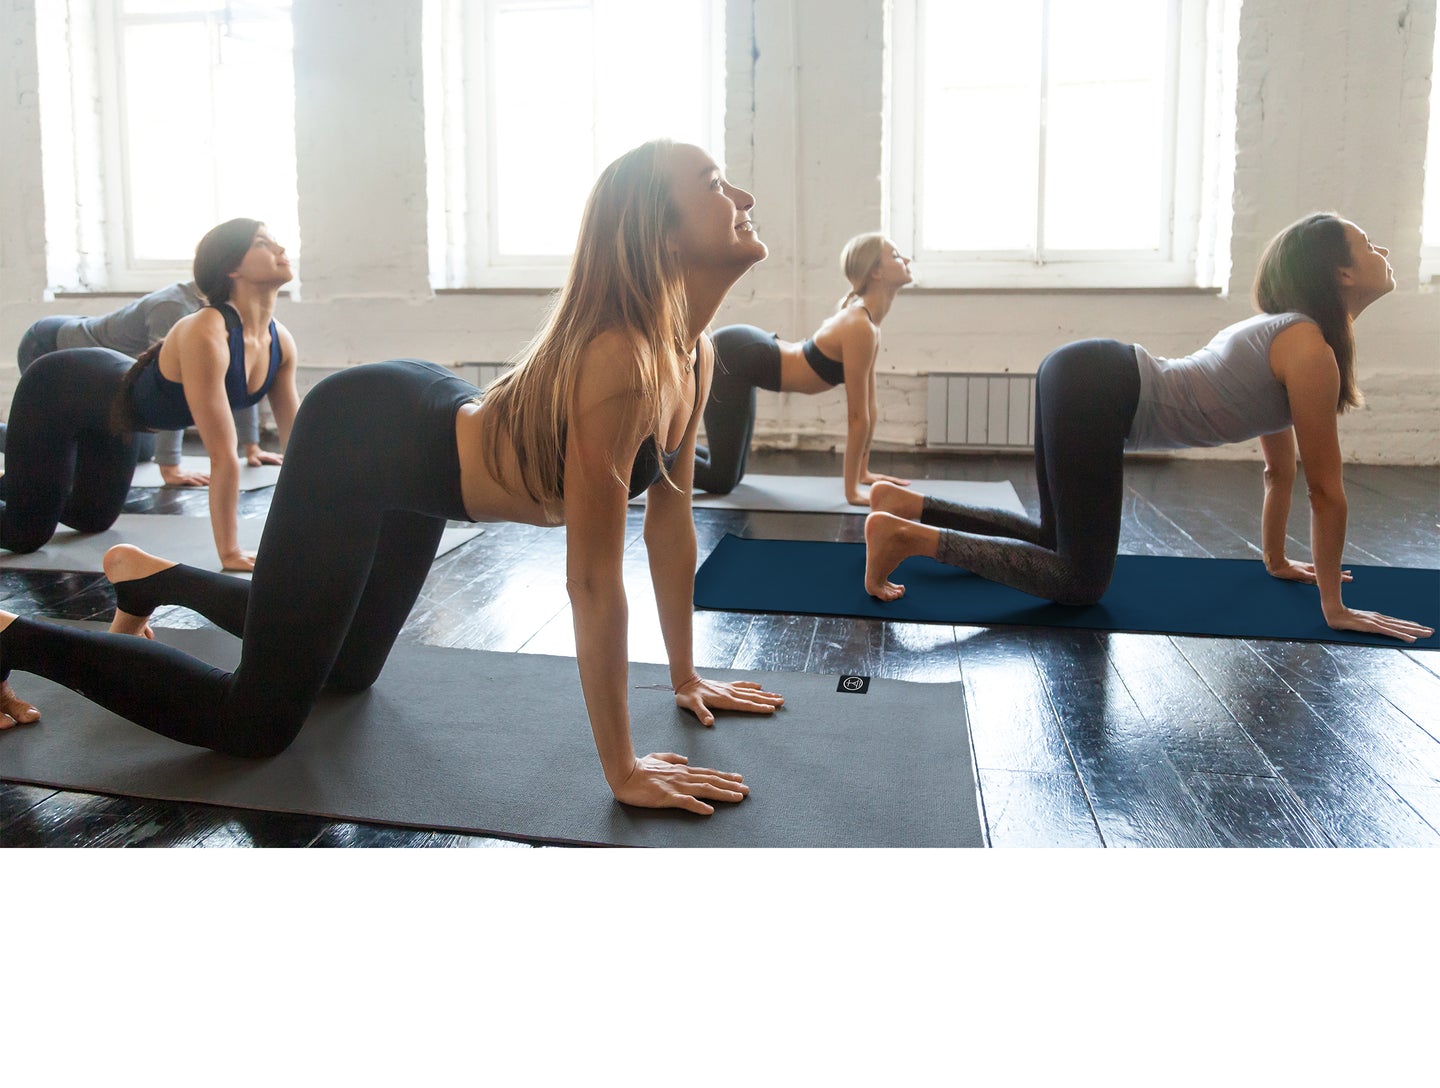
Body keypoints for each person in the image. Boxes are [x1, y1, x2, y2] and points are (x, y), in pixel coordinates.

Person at [0, 142, 786, 817]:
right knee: (253, 726)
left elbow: (670, 528)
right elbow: (590, 578)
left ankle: (152, 579)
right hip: (365, 436)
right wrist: (622, 768)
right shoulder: (620, 362)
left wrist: (687, 677)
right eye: (715, 183)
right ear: (659, 228)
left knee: (346, 673)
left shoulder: (693, 352)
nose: (743, 196)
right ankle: (16, 638)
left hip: (427, 454)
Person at [861, 214, 1433, 645]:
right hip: (1101, 386)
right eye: (1368, 244)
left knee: (1055, 540)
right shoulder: (1306, 346)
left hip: (1087, 372)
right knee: (1080, 582)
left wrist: (1277, 561)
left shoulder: (1291, 336)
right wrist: (1335, 607)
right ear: (1342, 272)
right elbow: (1326, 490)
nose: (1381, 250)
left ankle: (907, 506)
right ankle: (907, 538)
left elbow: (1280, 470)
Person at [0, 220, 299, 572]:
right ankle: (28, 483)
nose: (280, 250)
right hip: (56, 389)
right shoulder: (205, 331)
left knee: (91, 518)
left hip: (115, 418)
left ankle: (27, 480)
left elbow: (298, 445)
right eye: (263, 243)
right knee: (25, 534)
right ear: (232, 268)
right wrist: (230, 551)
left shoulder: (279, 340)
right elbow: (221, 455)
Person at [692, 233, 916, 504]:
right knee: (721, 479)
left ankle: (664, 452)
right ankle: (645, 459)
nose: (905, 259)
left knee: (731, 474)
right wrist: (851, 492)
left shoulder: (868, 324)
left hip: (748, 355)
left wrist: (864, 473)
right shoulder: (859, 326)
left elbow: (870, 407)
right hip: (735, 356)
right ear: (876, 272)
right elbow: (857, 416)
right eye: (894, 255)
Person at [15, 277, 280, 486]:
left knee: (139, 453)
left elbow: (239, 377)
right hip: (48, 345)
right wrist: (170, 467)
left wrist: (251, 447)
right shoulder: (175, 308)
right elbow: (171, 386)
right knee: (57, 445)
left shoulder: (233, 314)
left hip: (101, 362)